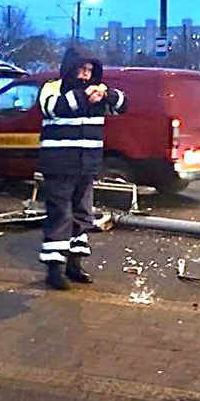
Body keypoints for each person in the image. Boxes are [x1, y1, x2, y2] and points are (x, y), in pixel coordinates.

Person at [37, 48, 127, 290]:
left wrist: (106, 94)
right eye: (81, 69)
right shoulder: (52, 87)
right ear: (70, 67)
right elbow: (52, 108)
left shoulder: (97, 93)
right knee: (60, 216)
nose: (86, 75)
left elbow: (123, 105)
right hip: (59, 165)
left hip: (87, 166)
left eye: (90, 70)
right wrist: (84, 96)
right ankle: (54, 271)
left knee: (82, 216)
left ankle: (74, 265)